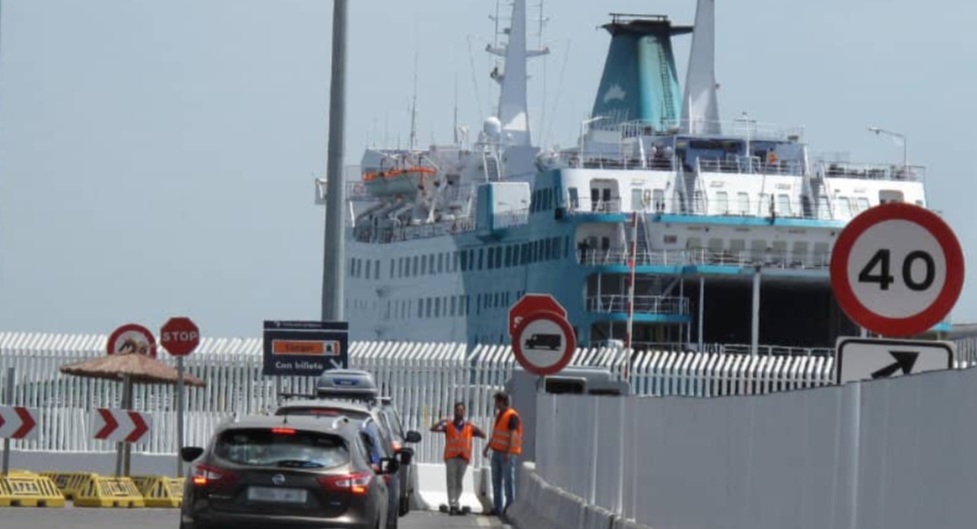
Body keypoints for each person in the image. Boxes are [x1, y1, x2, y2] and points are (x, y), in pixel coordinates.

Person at [430, 401, 486, 515]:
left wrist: (473, 426)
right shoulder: (448, 425)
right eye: (457, 410)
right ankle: (453, 503)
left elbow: (483, 435)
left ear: (464, 412)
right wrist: (441, 421)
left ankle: (456, 500)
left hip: (463, 458)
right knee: (451, 481)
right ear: (454, 411)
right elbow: (433, 429)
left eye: (461, 410)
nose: (459, 412)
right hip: (451, 457)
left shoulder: (469, 427)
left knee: (459, 481)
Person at [482, 391, 522, 516]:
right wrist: (488, 447)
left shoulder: (512, 415)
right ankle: (498, 507)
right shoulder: (500, 415)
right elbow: (496, 434)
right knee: (496, 480)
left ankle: (509, 505)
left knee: (508, 480)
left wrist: (508, 452)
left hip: (507, 453)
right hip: (497, 451)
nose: (495, 404)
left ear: (502, 401)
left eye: (496, 401)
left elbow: (512, 435)